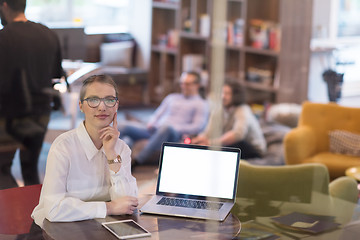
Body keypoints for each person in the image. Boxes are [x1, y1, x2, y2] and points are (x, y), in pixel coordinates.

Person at [31, 75, 138, 229]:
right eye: (93, 100)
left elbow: (128, 204)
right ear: (81, 106)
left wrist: (111, 155)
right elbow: (54, 209)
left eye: (109, 100)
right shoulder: (63, 147)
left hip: (101, 227)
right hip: (57, 230)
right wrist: (109, 207)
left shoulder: (121, 148)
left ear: (116, 105)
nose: (102, 107)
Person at [0, 0, 63, 189]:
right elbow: (55, 74)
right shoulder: (48, 34)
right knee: (30, 168)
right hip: (41, 113)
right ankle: (35, 214)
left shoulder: (3, 38)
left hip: (9, 116)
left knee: (2, 169)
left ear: (4, 6)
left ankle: (12, 214)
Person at [119, 71, 209, 165]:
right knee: (122, 126)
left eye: (187, 84)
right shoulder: (172, 97)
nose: (183, 86)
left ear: (197, 85)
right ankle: (112, 158)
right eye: (182, 83)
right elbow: (157, 114)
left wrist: (174, 127)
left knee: (166, 128)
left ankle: (137, 161)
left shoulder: (201, 104)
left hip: (173, 134)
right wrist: (152, 123)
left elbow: (198, 126)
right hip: (154, 130)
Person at [192, 80, 266, 159]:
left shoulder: (243, 110)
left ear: (236, 95)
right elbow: (208, 132)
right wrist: (199, 140)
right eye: (222, 92)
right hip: (230, 145)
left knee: (234, 144)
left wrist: (211, 142)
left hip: (253, 149)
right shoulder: (219, 110)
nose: (223, 96)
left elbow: (238, 134)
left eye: (227, 94)